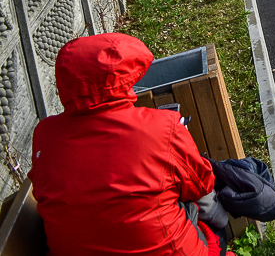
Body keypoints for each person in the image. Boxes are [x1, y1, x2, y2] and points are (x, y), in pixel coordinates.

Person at [29, 33, 229, 256]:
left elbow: (43, 191)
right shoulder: (163, 127)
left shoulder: (44, 135)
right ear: (125, 78)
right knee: (205, 216)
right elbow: (201, 184)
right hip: (169, 249)